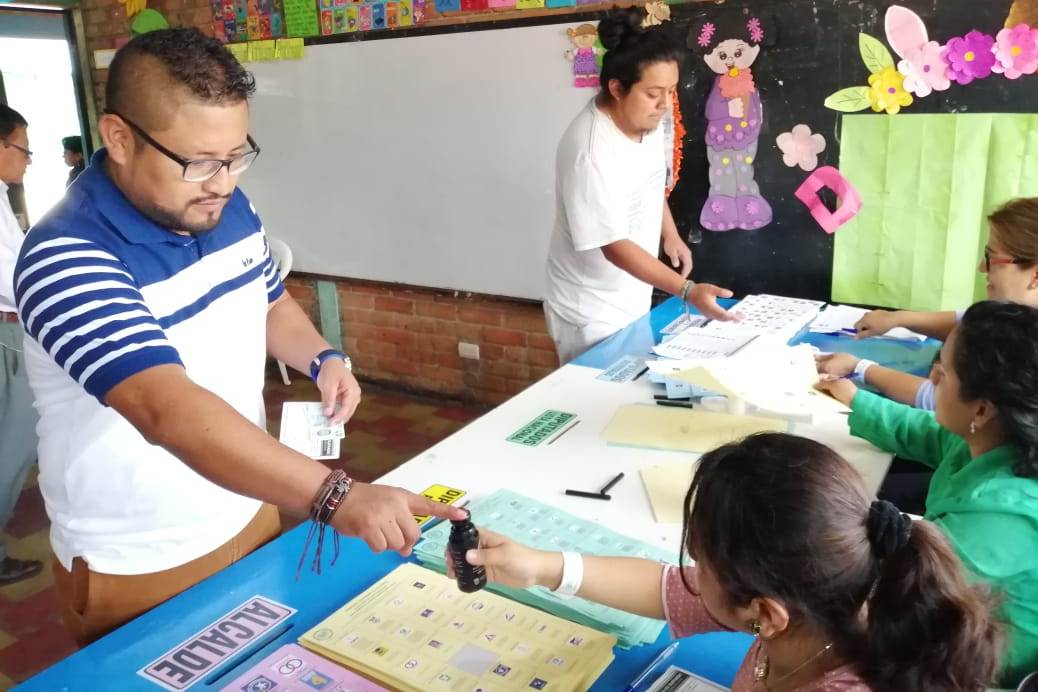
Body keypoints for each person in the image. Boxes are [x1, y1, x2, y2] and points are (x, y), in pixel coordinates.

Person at [13, 29, 463, 645]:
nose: (222, 182)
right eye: (199, 162)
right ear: (119, 138)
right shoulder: (68, 255)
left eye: (237, 156)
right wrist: (336, 498)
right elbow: (165, 408)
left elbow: (268, 302)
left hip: (251, 505)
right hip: (143, 556)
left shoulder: (225, 205)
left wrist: (323, 357)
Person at [450, 433, 1003, 690]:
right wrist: (541, 566)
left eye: (702, 563)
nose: (690, 572)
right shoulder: (830, 597)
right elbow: (662, 586)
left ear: (764, 613)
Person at [818, 301, 1038, 685]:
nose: (931, 376)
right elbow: (927, 432)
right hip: (953, 613)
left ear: (983, 409)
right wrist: (854, 398)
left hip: (984, 669)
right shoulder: (994, 437)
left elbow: (901, 598)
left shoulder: (1002, 518)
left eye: (944, 371)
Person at [544, 9, 735, 364]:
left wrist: (671, 235)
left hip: (631, 292)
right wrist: (688, 291)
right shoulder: (589, 153)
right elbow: (613, 246)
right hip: (590, 310)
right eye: (653, 93)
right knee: (596, 404)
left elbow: (650, 184)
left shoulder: (644, 121)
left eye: (671, 91)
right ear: (616, 88)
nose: (664, 105)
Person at [817, 197, 1038, 411]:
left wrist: (861, 368)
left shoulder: (1025, 349)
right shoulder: (1017, 319)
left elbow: (944, 401)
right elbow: (970, 321)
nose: (982, 267)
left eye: (991, 257)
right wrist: (899, 318)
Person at [0, 104, 44, 586]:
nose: (28, 159)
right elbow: (13, 280)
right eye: (23, 148)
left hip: (12, 324)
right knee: (11, 444)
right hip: (8, 330)